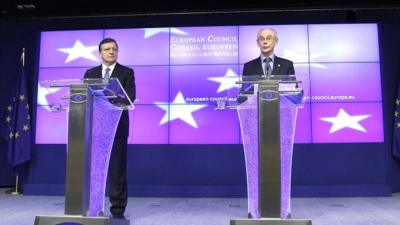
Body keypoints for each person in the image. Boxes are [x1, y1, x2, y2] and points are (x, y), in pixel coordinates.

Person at [84, 38, 136, 219]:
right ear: (100, 53)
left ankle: (118, 211)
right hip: (96, 129)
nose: (111, 52)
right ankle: (93, 207)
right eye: (107, 49)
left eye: (114, 49)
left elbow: (129, 97)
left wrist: (106, 101)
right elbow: (85, 98)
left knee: (117, 171)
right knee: (95, 170)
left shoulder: (126, 72)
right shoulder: (90, 73)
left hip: (116, 130)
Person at [240, 28, 295, 96]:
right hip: (258, 106)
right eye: (262, 39)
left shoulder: (287, 65)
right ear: (258, 42)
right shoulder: (248, 66)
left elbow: (294, 92)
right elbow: (244, 94)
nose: (265, 42)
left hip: (279, 106)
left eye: (268, 38)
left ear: (276, 41)